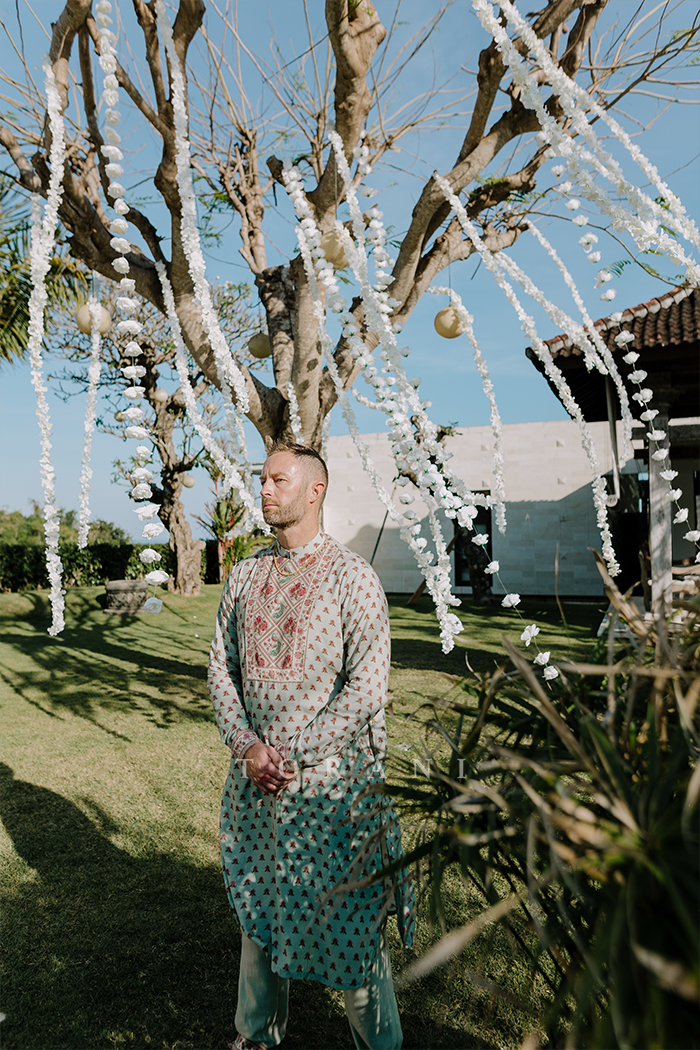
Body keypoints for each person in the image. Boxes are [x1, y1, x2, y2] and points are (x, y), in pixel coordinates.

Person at [208, 442, 415, 1050]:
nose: (264, 490)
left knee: (349, 920)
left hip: (332, 789)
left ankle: (380, 1043)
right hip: (256, 786)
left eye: (277, 480)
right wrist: (248, 747)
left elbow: (368, 686)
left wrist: (294, 754)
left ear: (315, 490)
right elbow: (221, 666)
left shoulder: (354, 579)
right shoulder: (245, 575)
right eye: (262, 480)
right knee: (260, 910)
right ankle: (256, 1034)